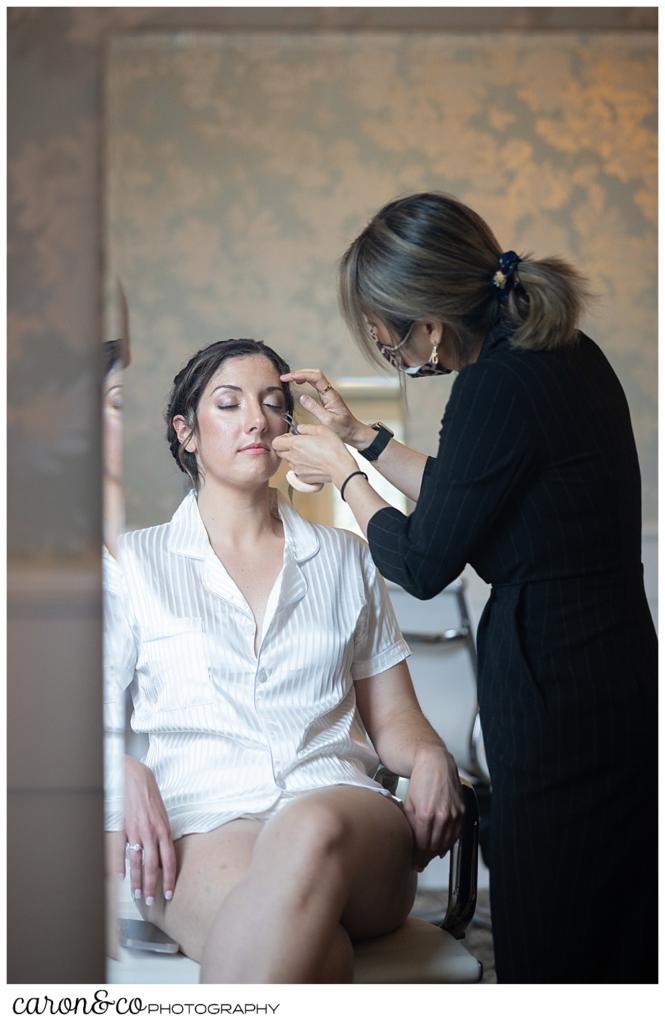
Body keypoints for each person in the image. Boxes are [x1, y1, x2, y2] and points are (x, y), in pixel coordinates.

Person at [273, 192, 658, 983]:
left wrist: (345, 477)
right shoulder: (555, 352)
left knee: (555, 911)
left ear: (431, 326)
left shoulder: (493, 387)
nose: (386, 347)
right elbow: (472, 489)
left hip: (557, 673)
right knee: (611, 899)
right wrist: (364, 438)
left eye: (383, 335)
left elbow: (421, 561)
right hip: (605, 657)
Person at [104, 337, 464, 983]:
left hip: (345, 817)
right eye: (228, 403)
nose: (255, 420)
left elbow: (396, 722)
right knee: (316, 957)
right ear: (185, 433)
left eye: (273, 404)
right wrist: (120, 764)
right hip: (207, 824)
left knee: (307, 825)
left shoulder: (346, 558)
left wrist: (432, 754)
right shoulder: (133, 565)